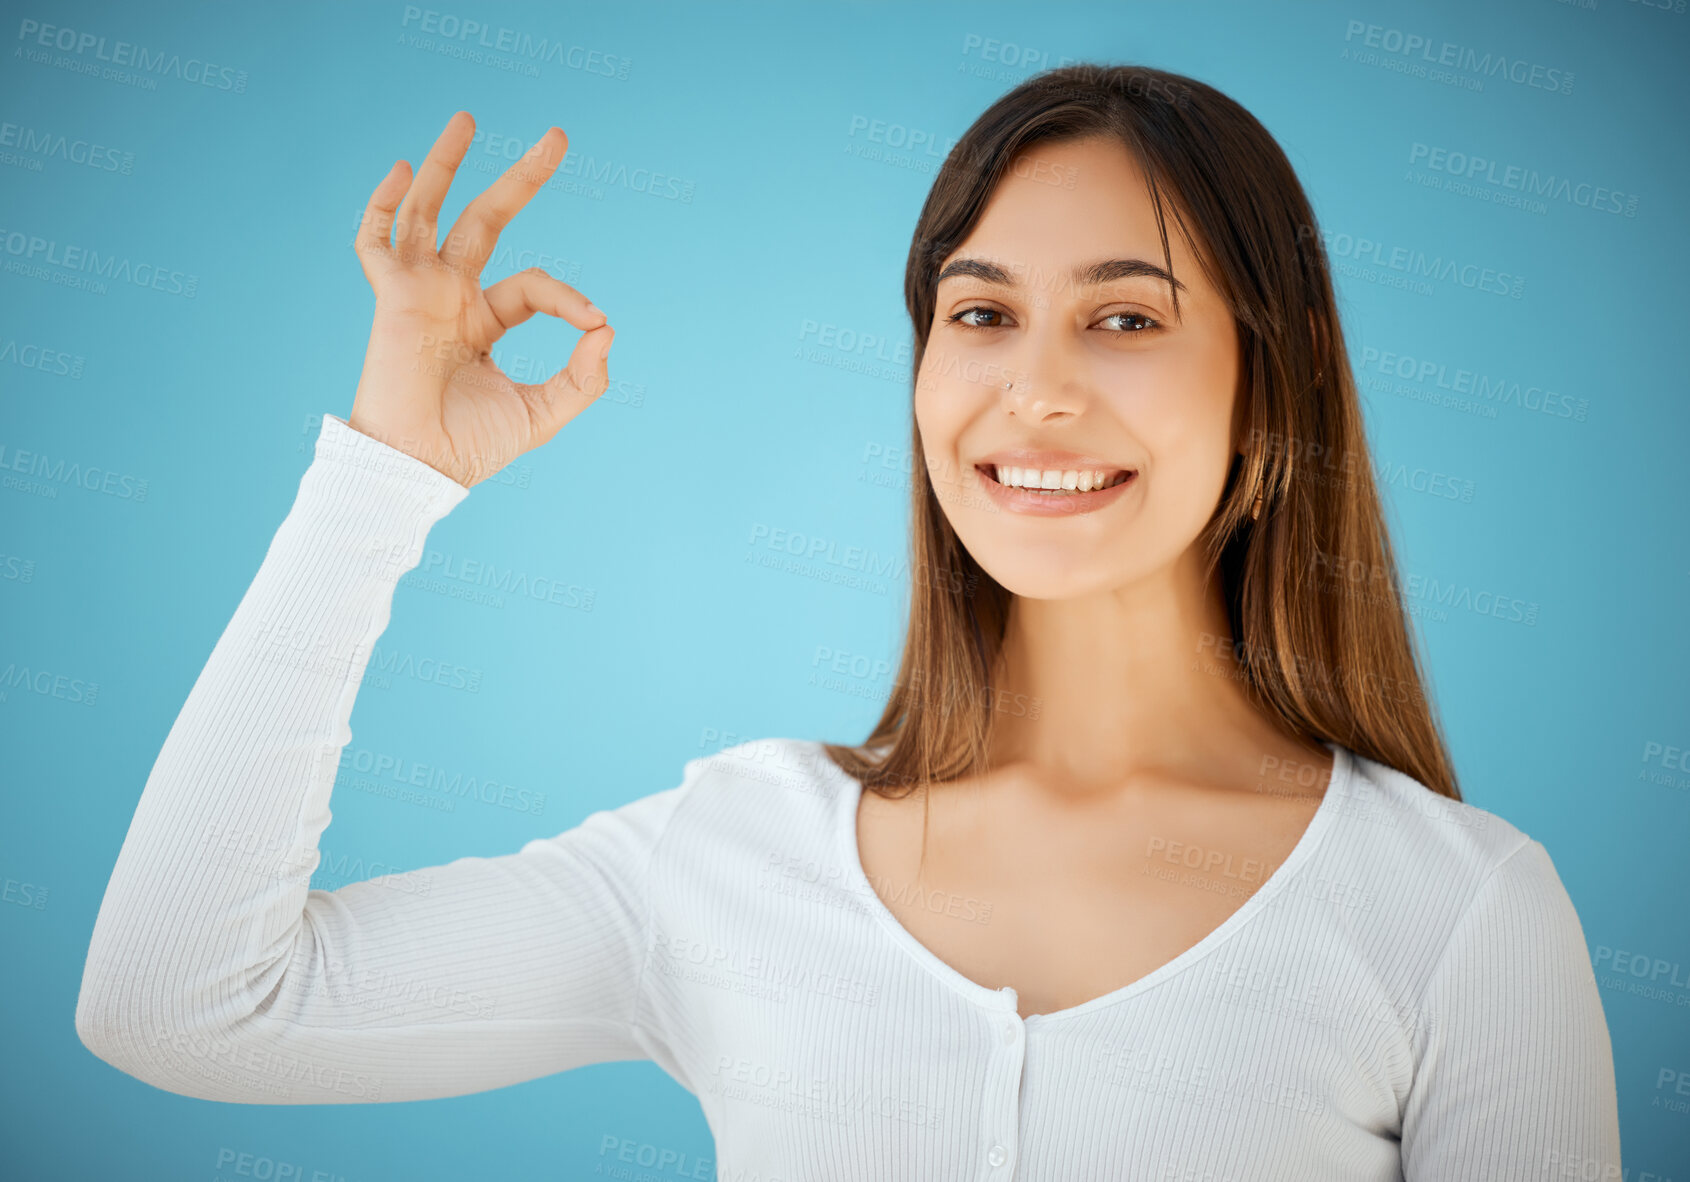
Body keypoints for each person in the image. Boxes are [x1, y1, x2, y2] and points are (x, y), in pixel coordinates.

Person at [75, 65, 1621, 1178]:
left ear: (1265, 398)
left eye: (1126, 317)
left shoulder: (1456, 910)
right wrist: (383, 479)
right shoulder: (730, 848)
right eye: (980, 312)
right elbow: (186, 1006)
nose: (1035, 386)